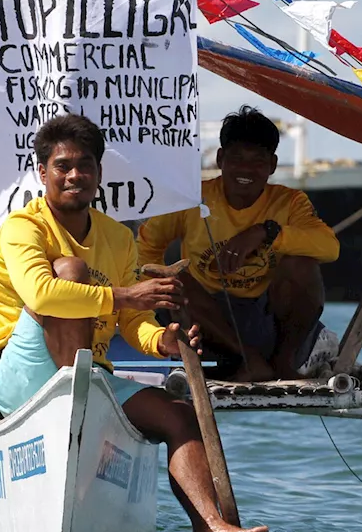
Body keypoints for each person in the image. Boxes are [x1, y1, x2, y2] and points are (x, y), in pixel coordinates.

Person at [0, 113, 269, 532]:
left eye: (86, 166)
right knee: (69, 271)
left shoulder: (117, 236)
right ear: (43, 173)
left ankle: (211, 529)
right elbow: (41, 292)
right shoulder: (23, 226)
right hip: (16, 371)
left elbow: (132, 321)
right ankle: (72, 411)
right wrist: (126, 293)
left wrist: (163, 341)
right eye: (63, 166)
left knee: (178, 414)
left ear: (98, 173)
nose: (75, 175)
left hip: (89, 377)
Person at [138, 106, 339, 382]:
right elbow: (144, 251)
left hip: (263, 321)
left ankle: (283, 361)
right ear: (220, 158)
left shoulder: (290, 202)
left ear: (273, 165)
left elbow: (330, 247)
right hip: (205, 323)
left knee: (302, 265)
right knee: (174, 279)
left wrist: (264, 233)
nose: (245, 169)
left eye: (257, 160)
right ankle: (251, 361)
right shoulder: (192, 198)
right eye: (236, 158)